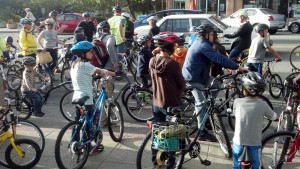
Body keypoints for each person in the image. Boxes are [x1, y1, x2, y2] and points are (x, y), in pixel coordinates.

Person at [182, 24, 248, 142]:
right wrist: (237, 67)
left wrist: (232, 65)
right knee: (201, 102)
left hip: (201, 75)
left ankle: (209, 108)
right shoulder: (202, 45)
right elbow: (218, 58)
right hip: (193, 77)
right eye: (212, 34)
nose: (214, 36)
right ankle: (201, 131)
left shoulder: (204, 43)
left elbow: (220, 57)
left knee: (216, 84)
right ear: (206, 35)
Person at [70, 41, 116, 154]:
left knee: (78, 122)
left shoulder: (74, 64)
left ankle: (74, 143)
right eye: (90, 52)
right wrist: (114, 73)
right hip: (86, 99)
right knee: (89, 124)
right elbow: (101, 71)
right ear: (82, 54)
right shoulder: (86, 65)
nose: (92, 53)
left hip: (77, 97)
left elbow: (85, 75)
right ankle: (88, 147)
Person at [149, 32, 186, 168]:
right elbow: (181, 84)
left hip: (156, 103)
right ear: (169, 47)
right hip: (172, 104)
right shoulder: (173, 64)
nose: (176, 47)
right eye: (174, 45)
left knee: (157, 132)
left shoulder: (152, 60)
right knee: (174, 134)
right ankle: (171, 162)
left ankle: (156, 161)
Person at [232, 72, 277, 169]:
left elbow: (234, 113)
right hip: (255, 143)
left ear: (244, 89)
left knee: (236, 164)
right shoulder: (263, 104)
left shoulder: (237, 102)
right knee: (256, 164)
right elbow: (273, 117)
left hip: (238, 142)